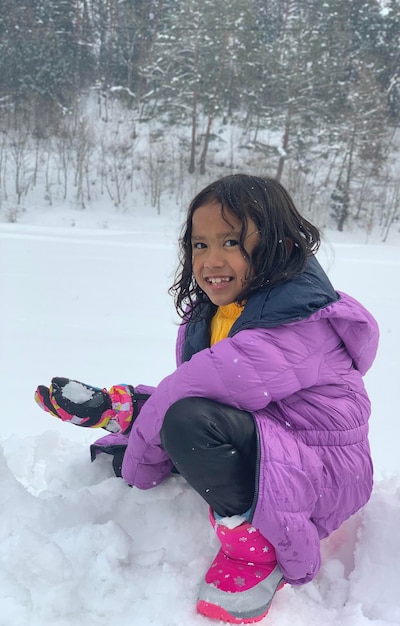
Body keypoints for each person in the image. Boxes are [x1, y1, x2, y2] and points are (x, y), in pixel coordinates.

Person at [35, 174, 379, 624]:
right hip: (273, 442)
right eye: (200, 245)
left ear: (280, 246)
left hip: (324, 474)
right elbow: (211, 395)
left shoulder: (295, 324)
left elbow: (190, 399)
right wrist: (122, 406)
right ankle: (121, 413)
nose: (211, 260)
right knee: (184, 419)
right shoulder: (222, 312)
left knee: (185, 423)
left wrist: (141, 466)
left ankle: (257, 550)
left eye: (231, 242)